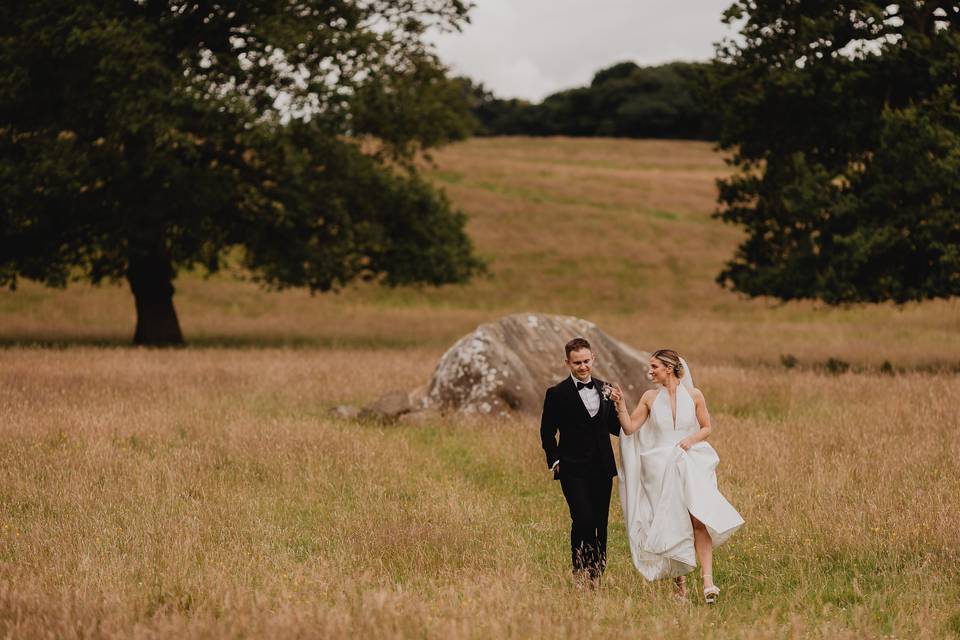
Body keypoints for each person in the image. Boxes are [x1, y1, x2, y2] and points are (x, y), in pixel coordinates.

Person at [608, 349, 744, 604]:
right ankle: (680, 588)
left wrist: (690, 440)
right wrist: (620, 404)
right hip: (659, 466)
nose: (650, 371)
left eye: (654, 367)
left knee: (698, 519)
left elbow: (706, 427)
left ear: (668, 368)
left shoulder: (694, 395)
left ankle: (708, 582)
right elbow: (630, 427)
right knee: (671, 522)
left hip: (689, 460)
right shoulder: (649, 397)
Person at [540, 337, 622, 585]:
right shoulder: (556, 393)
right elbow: (547, 432)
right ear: (567, 363)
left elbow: (616, 428)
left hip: (602, 468)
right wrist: (555, 461)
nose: (583, 366)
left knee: (600, 522)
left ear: (593, 359)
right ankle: (580, 570)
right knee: (583, 519)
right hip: (572, 469)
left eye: (586, 361)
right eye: (577, 363)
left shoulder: (606, 389)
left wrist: (622, 407)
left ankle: (597, 572)